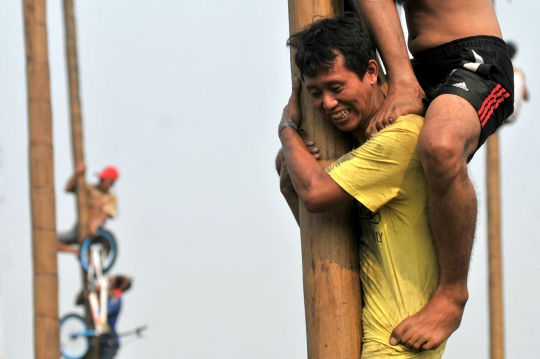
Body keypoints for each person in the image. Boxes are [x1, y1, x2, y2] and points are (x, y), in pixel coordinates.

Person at [277, 15, 445, 356]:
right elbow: (325, 229)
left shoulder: (401, 137)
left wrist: (287, 128)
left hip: (396, 344)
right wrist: (291, 171)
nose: (327, 104)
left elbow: (315, 193)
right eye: (315, 93)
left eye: (336, 88)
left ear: (371, 71)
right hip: (373, 339)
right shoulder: (365, 151)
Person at [352, 0, 515, 349]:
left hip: (473, 57)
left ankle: (452, 295)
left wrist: (400, 79)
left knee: (441, 147)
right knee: (329, 155)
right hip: (412, 66)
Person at [58, 163, 119, 254]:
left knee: (106, 247)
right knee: (50, 240)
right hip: (78, 229)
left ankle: (90, 256)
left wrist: (95, 224)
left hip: (95, 233)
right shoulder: (88, 188)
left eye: (108, 181)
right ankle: (77, 252)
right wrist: (77, 174)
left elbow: (104, 215)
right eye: (103, 179)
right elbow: (68, 189)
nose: (103, 181)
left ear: (112, 183)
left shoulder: (110, 198)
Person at [76, 275, 133, 359]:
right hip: (95, 339)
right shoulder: (102, 294)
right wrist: (94, 290)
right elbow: (78, 301)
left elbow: (104, 313)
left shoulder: (115, 299)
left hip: (108, 342)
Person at [505, 41, 529, 124]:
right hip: (514, 113)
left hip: (503, 109)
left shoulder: (501, 67)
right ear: (514, 56)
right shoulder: (519, 72)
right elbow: (526, 97)